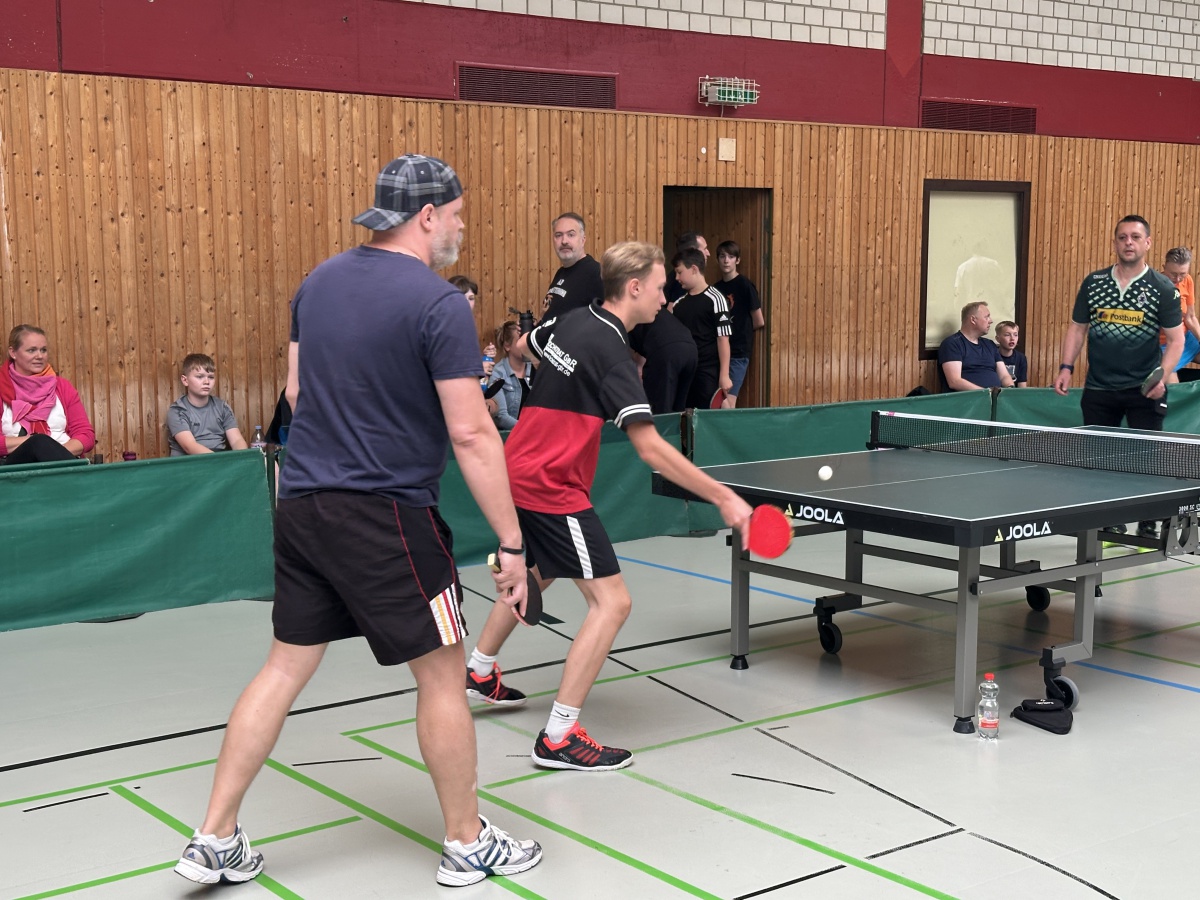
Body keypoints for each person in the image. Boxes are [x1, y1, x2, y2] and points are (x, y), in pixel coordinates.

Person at [174, 154, 542, 889]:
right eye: (457, 215)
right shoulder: (439, 305)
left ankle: (214, 837)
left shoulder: (318, 283)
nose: (461, 228)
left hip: (302, 503)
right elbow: (472, 434)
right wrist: (511, 540)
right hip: (387, 516)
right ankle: (467, 843)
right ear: (427, 216)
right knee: (443, 675)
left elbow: (296, 392)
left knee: (284, 665)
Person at [463, 241, 752, 770]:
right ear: (634, 287)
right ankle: (559, 737)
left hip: (517, 468)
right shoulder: (613, 353)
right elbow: (650, 448)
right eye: (660, 289)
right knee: (613, 603)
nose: (664, 299)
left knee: (542, 570)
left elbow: (526, 344)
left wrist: (558, 382)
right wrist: (722, 495)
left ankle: (480, 671)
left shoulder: (571, 321)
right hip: (551, 486)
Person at [1054, 214, 1183, 539]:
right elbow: (1078, 328)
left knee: (1146, 459)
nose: (1129, 242)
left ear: (1147, 243)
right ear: (1115, 243)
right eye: (1123, 237)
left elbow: (1176, 340)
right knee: (1099, 460)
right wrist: (1066, 367)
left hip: (1144, 389)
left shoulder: (1162, 288)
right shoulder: (1094, 283)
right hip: (1099, 387)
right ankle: (1110, 520)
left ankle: (1148, 523)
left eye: (1135, 237)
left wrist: (1161, 377)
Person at [1, 324, 95, 465]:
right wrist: (35, 443)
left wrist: (51, 452)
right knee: (38, 441)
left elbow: (86, 435)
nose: (39, 356)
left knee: (41, 443)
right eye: (32, 350)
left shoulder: (62, 386)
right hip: (16, 466)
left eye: (43, 350)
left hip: (63, 463)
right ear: (13, 352)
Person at [671, 247, 733, 408]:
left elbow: (723, 338)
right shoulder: (678, 305)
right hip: (685, 372)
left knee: (710, 413)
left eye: (679, 272)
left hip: (707, 371)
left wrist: (724, 375)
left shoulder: (716, 299)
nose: (677, 278)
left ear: (693, 269)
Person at [166, 353, 249, 456]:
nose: (206, 382)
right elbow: (190, 446)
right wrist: (221, 461)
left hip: (220, 458)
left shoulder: (222, 407)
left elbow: (237, 440)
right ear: (185, 380)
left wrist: (242, 458)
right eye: (199, 377)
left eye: (211, 377)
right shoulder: (177, 410)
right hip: (190, 461)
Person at [715, 240, 764, 408]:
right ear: (717, 260)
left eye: (730, 256)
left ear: (738, 260)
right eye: (722, 256)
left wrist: (739, 330)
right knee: (718, 400)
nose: (726, 260)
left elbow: (758, 320)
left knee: (728, 401)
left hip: (738, 352)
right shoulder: (715, 289)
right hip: (717, 352)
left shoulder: (745, 285)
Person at [628, 300, 698, 415]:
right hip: (691, 349)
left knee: (660, 410)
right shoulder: (652, 307)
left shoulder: (624, 314)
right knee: (678, 410)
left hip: (666, 351)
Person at [937, 302, 1014, 391]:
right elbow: (955, 382)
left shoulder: (990, 344)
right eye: (987, 317)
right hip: (970, 398)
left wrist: (1010, 389)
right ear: (973, 320)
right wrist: (987, 394)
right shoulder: (952, 344)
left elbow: (1004, 376)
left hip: (996, 397)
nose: (991, 321)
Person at [542, 213, 603, 320]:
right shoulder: (561, 273)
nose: (564, 241)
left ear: (583, 240)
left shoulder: (596, 273)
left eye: (571, 235)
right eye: (558, 235)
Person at [1160, 247, 1200, 383]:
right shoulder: (1154, 286)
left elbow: (1190, 317)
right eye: (1173, 274)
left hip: (1186, 338)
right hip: (1164, 344)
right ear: (1164, 267)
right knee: (1174, 389)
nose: (1178, 279)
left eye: (1182, 274)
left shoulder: (1187, 280)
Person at [484, 321, 531, 431]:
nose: (525, 344)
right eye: (520, 339)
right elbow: (502, 418)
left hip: (534, 432)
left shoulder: (535, 368)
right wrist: (530, 430)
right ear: (507, 346)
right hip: (512, 435)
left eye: (527, 339)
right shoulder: (498, 373)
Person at [449, 274, 496, 383]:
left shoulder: (465, 326)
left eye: (471, 298)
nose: (467, 303)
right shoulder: (446, 327)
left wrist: (483, 358)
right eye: (461, 298)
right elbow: (447, 368)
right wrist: (478, 369)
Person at [662, 231, 708, 308]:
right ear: (693, 251)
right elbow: (671, 310)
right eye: (705, 249)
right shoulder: (682, 280)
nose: (708, 253)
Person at [994, 321, 1028, 388]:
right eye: (1007, 335)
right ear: (998, 339)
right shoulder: (992, 355)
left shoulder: (1021, 358)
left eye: (1015, 335)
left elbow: (1022, 384)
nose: (1012, 338)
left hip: (1013, 392)